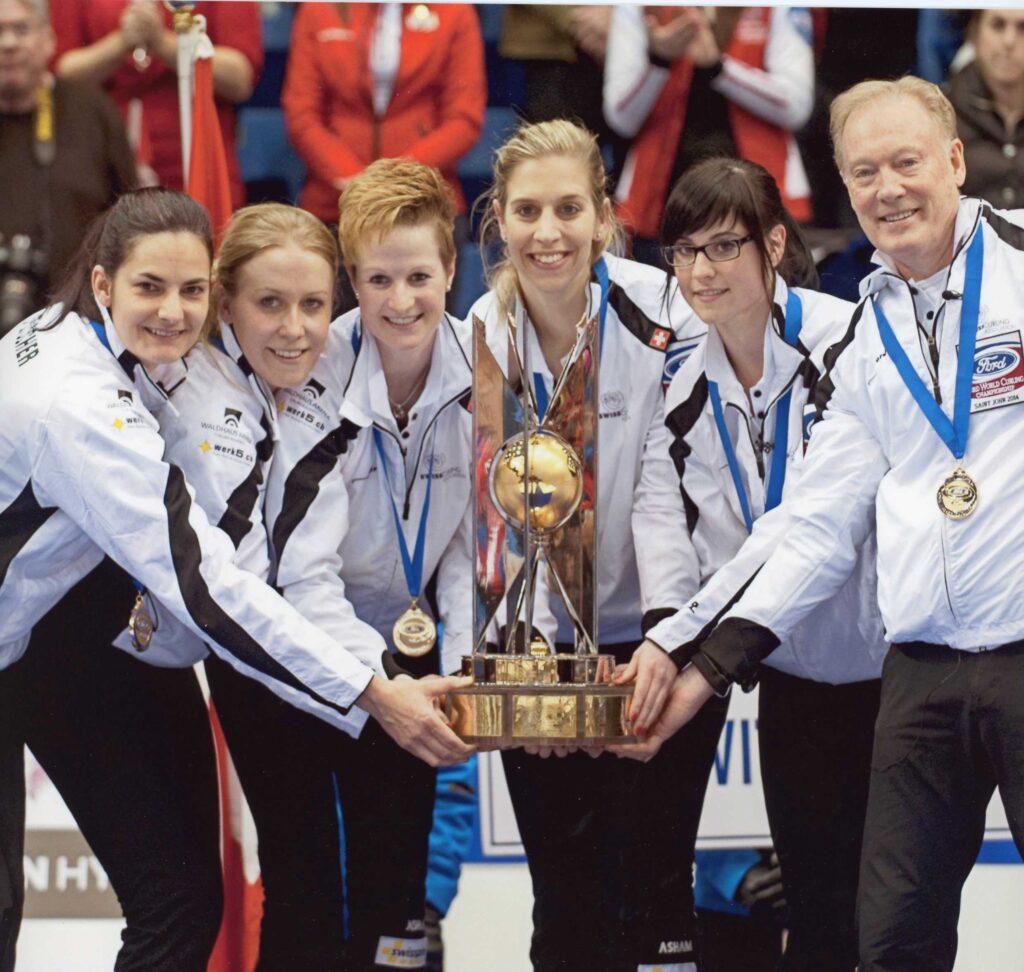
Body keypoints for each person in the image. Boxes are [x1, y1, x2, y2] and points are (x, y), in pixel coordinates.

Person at [0, 187, 468, 971]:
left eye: (189, 290)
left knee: (180, 903)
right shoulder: (80, 403)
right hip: (53, 647)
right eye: (151, 288)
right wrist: (370, 689)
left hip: (55, 641)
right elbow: (209, 584)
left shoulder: (97, 343)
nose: (173, 313)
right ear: (104, 282)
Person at [617, 76, 1024, 971]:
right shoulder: (872, 332)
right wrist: (686, 651)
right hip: (918, 676)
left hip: (1014, 654)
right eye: (865, 172)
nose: (888, 189)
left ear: (956, 161)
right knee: (883, 947)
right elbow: (808, 527)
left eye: (907, 162)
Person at [467, 117, 720, 972]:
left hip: (655, 641)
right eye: (528, 211)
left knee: (657, 891)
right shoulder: (483, 330)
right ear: (498, 219)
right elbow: (500, 505)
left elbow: (666, 487)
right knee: (565, 900)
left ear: (605, 218)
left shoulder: (663, 311)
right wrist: (535, 654)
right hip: (538, 647)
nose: (548, 233)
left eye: (569, 208)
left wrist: (663, 635)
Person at [630, 156, 885, 969]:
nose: (700, 271)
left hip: (893, 671)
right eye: (683, 252)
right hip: (793, 677)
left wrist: (692, 657)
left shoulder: (849, 341)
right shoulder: (681, 383)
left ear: (774, 244)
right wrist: (665, 630)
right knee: (812, 918)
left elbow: (806, 528)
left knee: (891, 919)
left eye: (723, 247)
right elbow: (679, 526)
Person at [229, 158, 474, 970]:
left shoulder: (486, 371)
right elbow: (305, 576)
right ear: (350, 283)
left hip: (408, 644)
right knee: (303, 890)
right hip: (292, 646)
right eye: (377, 280)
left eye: (419, 277)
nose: (400, 301)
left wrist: (470, 663)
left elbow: (480, 543)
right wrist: (380, 686)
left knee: (396, 896)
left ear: (451, 270)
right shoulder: (316, 374)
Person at [603, 6, 814, 263]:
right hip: (657, 207)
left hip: (762, 200)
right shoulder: (635, 8)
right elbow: (621, 119)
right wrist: (659, 61)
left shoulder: (778, 7)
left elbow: (796, 106)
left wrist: (718, 68)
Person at [0, 0, 135, 327]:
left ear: (49, 39)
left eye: (21, 29)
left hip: (77, 316)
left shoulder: (90, 109)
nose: (8, 43)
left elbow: (130, 214)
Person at [49, 0, 261, 207]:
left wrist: (161, 41)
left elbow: (239, 78)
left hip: (195, 161)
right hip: (103, 166)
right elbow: (60, 76)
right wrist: (122, 41)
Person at [949, 9, 1024, 209]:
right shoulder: (942, 111)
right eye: (998, 25)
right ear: (974, 33)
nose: (1009, 41)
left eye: (1022, 28)